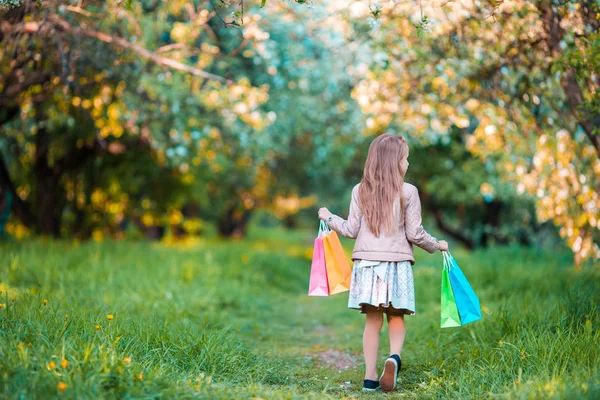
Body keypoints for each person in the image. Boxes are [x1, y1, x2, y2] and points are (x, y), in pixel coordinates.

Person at [318, 133, 448, 392]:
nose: (408, 164)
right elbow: (415, 233)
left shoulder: (360, 190)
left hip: (366, 266)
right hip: (397, 266)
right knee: (396, 317)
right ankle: (394, 357)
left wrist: (329, 216)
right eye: (406, 159)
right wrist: (437, 245)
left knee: (372, 321)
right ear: (395, 161)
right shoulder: (408, 191)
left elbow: (351, 229)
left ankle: (369, 377)